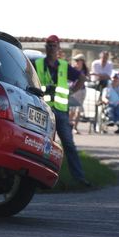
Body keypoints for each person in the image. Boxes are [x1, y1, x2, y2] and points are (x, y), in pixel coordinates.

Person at [35, 35, 91, 187]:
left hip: (60, 111)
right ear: (45, 47)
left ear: (58, 48)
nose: (51, 48)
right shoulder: (38, 64)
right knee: (40, 144)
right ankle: (39, 178)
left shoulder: (64, 66)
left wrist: (71, 91)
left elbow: (82, 78)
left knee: (68, 144)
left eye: (54, 45)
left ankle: (79, 179)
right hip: (43, 110)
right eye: (48, 45)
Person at [69, 53, 89, 134]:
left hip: (82, 91)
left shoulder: (85, 70)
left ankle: (75, 127)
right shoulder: (73, 68)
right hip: (73, 90)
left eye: (78, 60)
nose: (76, 62)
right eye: (75, 60)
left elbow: (87, 78)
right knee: (72, 110)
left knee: (79, 110)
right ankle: (69, 125)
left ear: (82, 61)